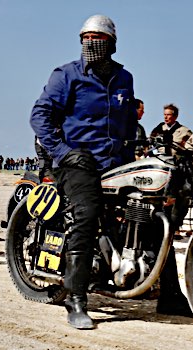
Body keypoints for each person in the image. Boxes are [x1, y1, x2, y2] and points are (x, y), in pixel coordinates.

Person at [30, 14, 138, 329]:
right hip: (75, 161)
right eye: (85, 38)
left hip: (114, 163)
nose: (91, 43)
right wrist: (63, 152)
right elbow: (40, 115)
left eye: (99, 38)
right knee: (86, 215)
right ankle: (75, 297)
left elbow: (129, 123)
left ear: (112, 44)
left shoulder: (124, 78)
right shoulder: (66, 76)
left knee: (152, 207)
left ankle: (171, 294)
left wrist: (132, 160)